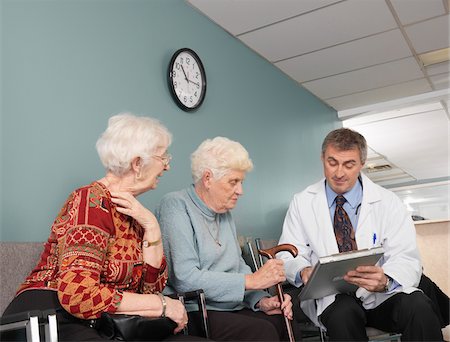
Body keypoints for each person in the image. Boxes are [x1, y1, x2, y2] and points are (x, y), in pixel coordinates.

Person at [2, 113, 194, 341]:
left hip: (99, 321)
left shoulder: (136, 214)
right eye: (163, 157)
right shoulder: (90, 202)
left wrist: (152, 227)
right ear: (137, 163)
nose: (167, 166)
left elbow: (148, 293)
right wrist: (162, 304)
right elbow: (78, 296)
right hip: (47, 319)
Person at [278, 128, 443, 341]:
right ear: (322, 158)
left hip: (380, 295)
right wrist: (303, 271)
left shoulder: (388, 202)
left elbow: (406, 256)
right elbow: (286, 254)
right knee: (343, 315)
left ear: (362, 163)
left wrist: (386, 280)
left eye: (349, 164)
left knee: (418, 306)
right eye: (332, 162)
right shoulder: (302, 202)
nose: (339, 173)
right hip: (333, 298)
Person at [156, 137, 294, 341]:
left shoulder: (224, 213)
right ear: (208, 178)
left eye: (241, 182)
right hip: (195, 310)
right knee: (261, 332)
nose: (240, 191)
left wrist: (261, 300)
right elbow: (185, 278)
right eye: (233, 182)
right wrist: (251, 281)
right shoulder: (175, 206)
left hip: (231, 306)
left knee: (283, 321)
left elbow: (238, 267)